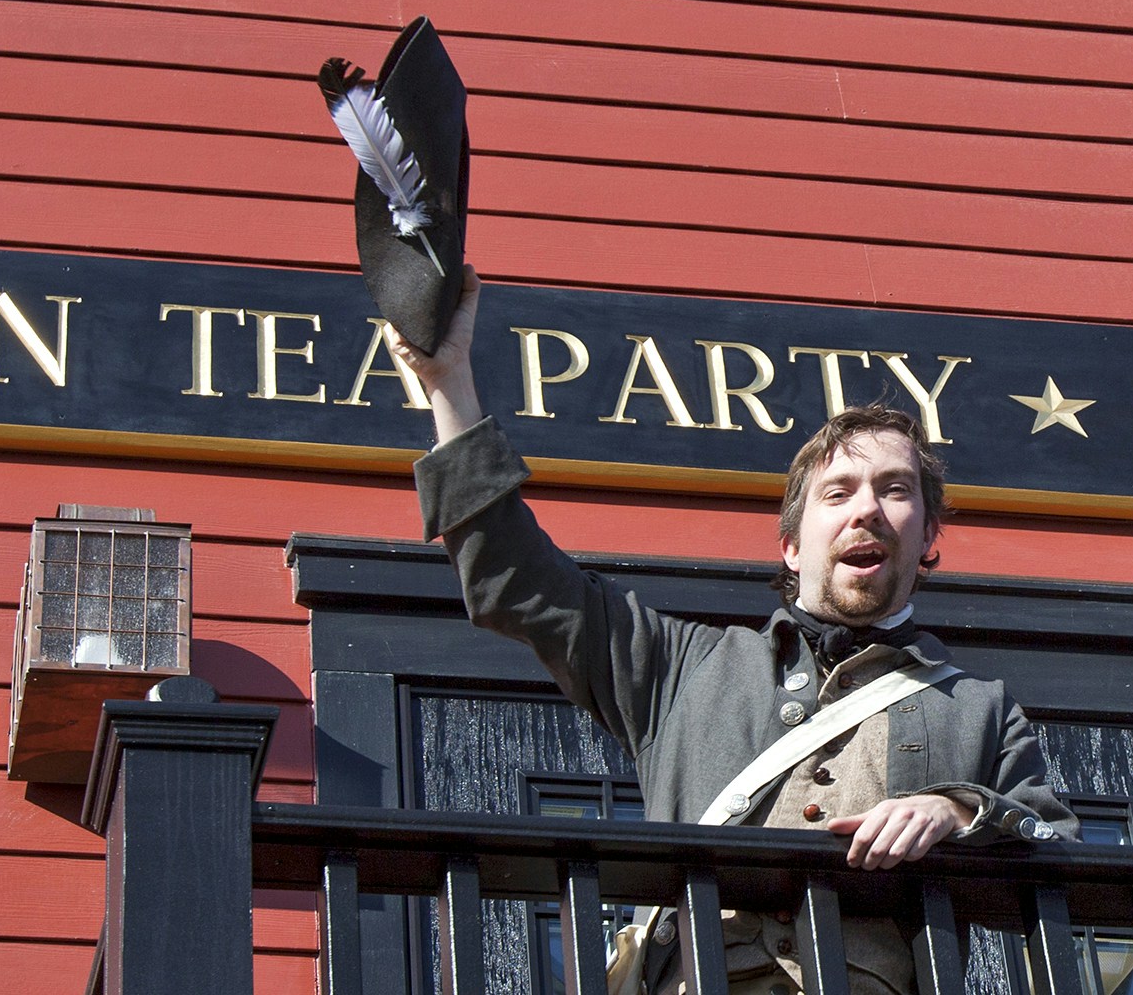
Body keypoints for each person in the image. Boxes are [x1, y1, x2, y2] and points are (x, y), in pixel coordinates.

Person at [387, 268, 1079, 995]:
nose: (867, 510)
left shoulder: (980, 707)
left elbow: (1055, 849)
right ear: (790, 545)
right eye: (837, 494)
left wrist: (959, 808)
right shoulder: (678, 666)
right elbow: (517, 577)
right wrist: (448, 384)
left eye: (895, 490)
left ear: (929, 532)